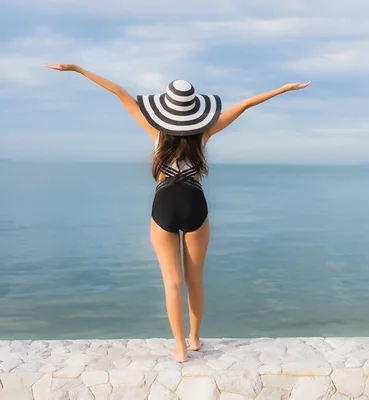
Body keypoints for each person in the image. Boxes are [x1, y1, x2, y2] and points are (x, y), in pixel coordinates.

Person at [44, 62, 311, 362]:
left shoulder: (155, 134)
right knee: (194, 280)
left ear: (166, 110)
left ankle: (181, 350)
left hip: (164, 205)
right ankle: (195, 339)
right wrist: (285, 89)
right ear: (194, 110)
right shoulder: (204, 135)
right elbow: (246, 104)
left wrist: (79, 70)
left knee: (171, 283)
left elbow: (119, 92)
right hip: (195, 204)